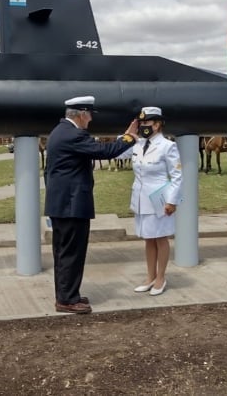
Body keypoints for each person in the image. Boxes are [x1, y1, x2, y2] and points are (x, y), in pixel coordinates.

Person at [44, 95, 139, 314]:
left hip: (62, 204)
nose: (90, 120)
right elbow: (105, 152)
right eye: (89, 115)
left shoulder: (59, 132)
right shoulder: (74, 135)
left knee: (63, 253)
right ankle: (67, 300)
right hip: (71, 206)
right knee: (71, 254)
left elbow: (49, 173)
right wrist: (129, 137)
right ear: (81, 114)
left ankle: (67, 294)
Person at [129, 107, 182, 296]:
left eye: (146, 123)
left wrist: (172, 201)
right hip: (141, 199)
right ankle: (150, 276)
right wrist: (128, 135)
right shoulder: (138, 144)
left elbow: (177, 175)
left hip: (159, 199)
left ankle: (161, 277)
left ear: (157, 125)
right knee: (149, 238)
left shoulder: (168, 146)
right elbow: (119, 154)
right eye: (141, 123)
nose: (143, 126)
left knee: (161, 238)